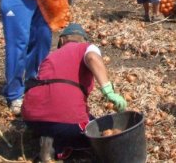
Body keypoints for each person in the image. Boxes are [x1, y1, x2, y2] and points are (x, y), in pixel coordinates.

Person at [21, 23, 127, 162]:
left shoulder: (49, 57)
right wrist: (109, 91)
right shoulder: (87, 47)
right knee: (97, 134)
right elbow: (93, 58)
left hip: (31, 118)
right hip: (64, 118)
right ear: (84, 40)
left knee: (57, 124)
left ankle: (48, 137)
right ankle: (58, 146)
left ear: (62, 40)